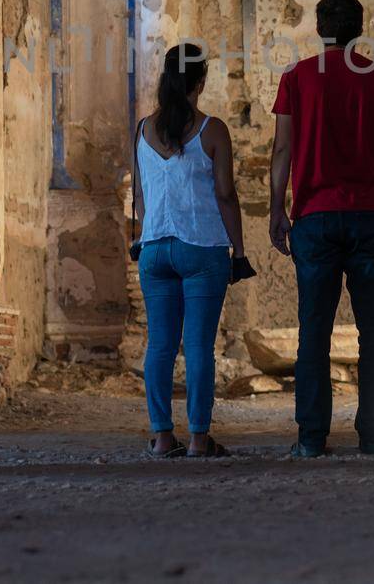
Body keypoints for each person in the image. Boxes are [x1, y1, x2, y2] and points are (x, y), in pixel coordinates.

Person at [269, 0, 374, 457]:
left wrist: (277, 207)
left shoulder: (296, 78)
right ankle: (373, 435)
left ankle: (311, 439)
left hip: (313, 219)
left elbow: (282, 150)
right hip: (370, 218)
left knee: (313, 332)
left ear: (319, 28)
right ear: (360, 27)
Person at [133, 42, 250, 458]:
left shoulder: (144, 129)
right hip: (201, 248)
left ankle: (163, 437)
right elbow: (226, 195)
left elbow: (141, 196)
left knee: (160, 346)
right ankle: (199, 438)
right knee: (199, 346)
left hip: (153, 250)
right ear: (200, 81)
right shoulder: (212, 129)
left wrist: (142, 236)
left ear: (166, 78)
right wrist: (238, 250)